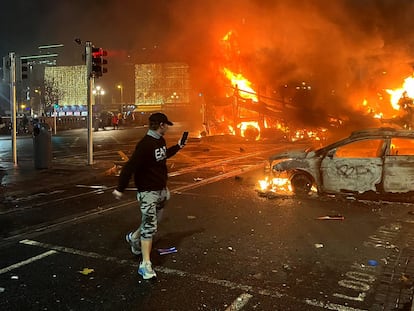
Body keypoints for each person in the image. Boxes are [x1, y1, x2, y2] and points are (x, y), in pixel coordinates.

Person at [112, 112, 187, 280]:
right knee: (150, 227)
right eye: (166, 124)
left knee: (151, 221)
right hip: (148, 192)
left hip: (161, 191)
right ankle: (145, 265)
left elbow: (163, 155)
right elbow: (130, 167)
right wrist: (120, 188)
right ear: (161, 125)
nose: (168, 127)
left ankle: (133, 237)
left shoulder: (159, 140)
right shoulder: (145, 145)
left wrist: (179, 146)